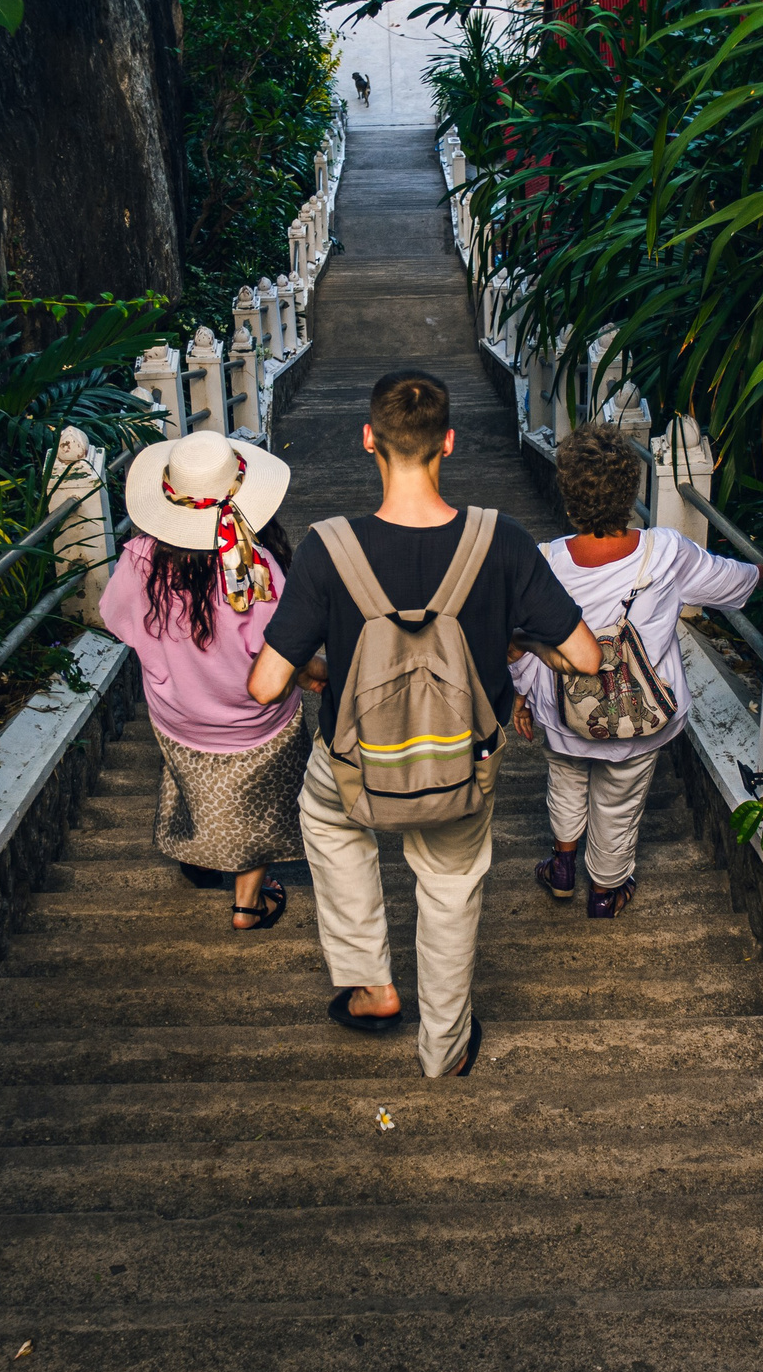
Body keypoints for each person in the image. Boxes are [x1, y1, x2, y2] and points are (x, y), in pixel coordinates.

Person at [248, 369, 601, 1077]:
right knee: (447, 888)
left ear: (367, 440)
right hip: (459, 762)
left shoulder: (326, 548)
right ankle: (444, 1048)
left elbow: (264, 686)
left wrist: (323, 669)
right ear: (448, 442)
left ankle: (371, 985)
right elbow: (585, 657)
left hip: (356, 762)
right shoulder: (497, 540)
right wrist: (515, 636)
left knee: (328, 822)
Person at [510, 422, 763, 918]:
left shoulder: (542, 563)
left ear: (569, 499)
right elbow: (729, 582)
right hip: (640, 712)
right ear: (631, 492)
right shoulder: (667, 551)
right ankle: (604, 890)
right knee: (619, 800)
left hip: (562, 710)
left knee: (565, 777)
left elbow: (520, 645)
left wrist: (521, 697)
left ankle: (563, 866)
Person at [101, 429, 323, 932]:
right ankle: (247, 903)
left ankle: (200, 856)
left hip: (178, 715)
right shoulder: (258, 571)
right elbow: (282, 653)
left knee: (195, 782)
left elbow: (116, 622)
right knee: (258, 805)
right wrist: (316, 675)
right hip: (253, 723)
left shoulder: (138, 560)